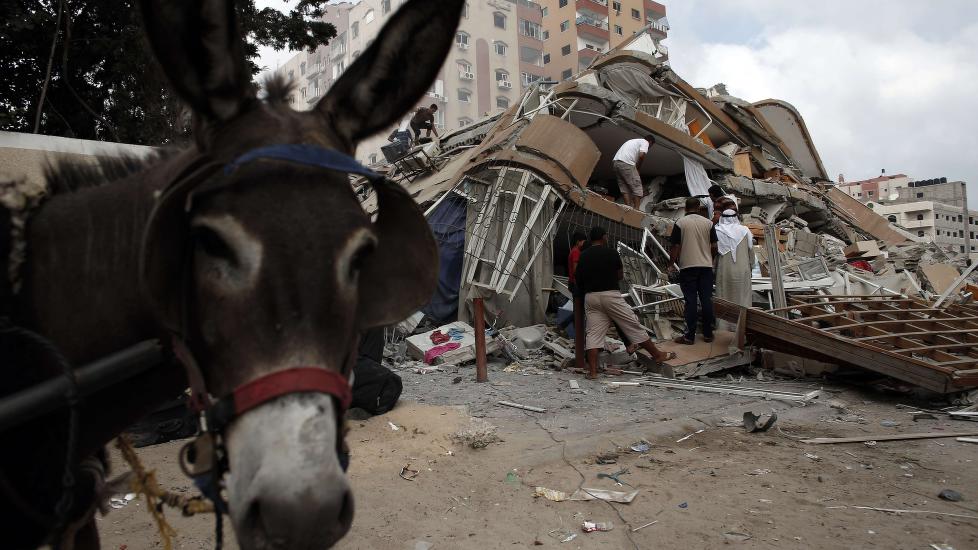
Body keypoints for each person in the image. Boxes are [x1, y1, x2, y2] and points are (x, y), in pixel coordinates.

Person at [575, 226, 674, 377]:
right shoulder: (611, 253)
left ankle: (593, 371)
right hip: (610, 294)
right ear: (603, 237)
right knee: (632, 324)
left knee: (593, 334)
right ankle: (657, 354)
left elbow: (578, 278)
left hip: (591, 297)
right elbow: (620, 275)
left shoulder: (583, 255)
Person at [669, 197, 718, 345]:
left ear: (685, 208)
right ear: (699, 208)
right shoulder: (709, 223)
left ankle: (689, 336)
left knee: (690, 301)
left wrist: (671, 263)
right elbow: (715, 246)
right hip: (706, 267)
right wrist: (709, 258)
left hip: (688, 266)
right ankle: (708, 334)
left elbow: (675, 246)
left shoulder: (680, 223)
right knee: (706, 300)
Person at [714, 209, 754, 313]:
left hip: (724, 270)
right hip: (742, 269)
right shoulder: (745, 230)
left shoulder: (717, 231)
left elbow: (714, 252)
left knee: (724, 296)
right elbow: (751, 251)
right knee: (742, 298)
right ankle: (742, 324)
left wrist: (713, 268)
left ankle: (725, 326)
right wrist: (751, 266)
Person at [612, 136, 655, 210]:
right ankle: (637, 210)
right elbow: (641, 156)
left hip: (616, 163)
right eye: (651, 146)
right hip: (626, 163)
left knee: (624, 188)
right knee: (637, 187)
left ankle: (628, 208)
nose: (649, 147)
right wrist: (638, 168)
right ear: (650, 142)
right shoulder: (645, 142)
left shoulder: (632, 141)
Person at [567, 231, 587, 296]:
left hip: (572, 281)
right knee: (578, 303)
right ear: (578, 241)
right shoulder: (576, 252)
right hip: (575, 282)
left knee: (576, 302)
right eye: (584, 242)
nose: (585, 244)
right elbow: (576, 269)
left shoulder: (573, 250)